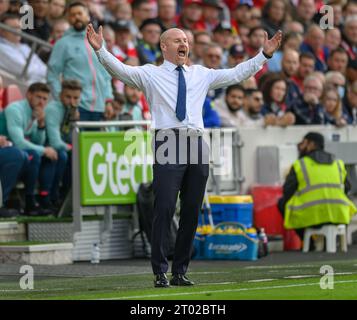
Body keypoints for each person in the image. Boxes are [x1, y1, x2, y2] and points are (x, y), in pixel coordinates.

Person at [87, 23, 282, 287]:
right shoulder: (150, 74)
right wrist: (101, 51)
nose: (184, 44)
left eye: (186, 40)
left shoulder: (200, 74)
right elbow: (121, 71)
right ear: (164, 46)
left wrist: (264, 56)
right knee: (165, 207)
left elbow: (236, 73)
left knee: (192, 210)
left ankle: (179, 270)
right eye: (177, 40)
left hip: (196, 142)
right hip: (167, 140)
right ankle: (159, 270)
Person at [278, 132, 357, 242]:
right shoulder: (338, 163)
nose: (300, 146)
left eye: (303, 143)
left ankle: (308, 242)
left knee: (282, 202)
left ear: (312, 144)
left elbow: (287, 191)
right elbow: (347, 188)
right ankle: (336, 241)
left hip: (311, 216)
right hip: (339, 215)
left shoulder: (300, 164)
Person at [47, 1, 113, 122]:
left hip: (100, 106)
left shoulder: (98, 41)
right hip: (76, 107)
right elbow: (52, 75)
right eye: (72, 15)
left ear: (87, 16)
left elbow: (106, 74)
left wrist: (108, 100)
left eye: (79, 13)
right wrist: (62, 101)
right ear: (68, 19)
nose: (76, 17)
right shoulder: (62, 44)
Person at [2, 83, 61, 216]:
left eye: (45, 99)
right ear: (28, 94)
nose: (41, 102)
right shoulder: (15, 109)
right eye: (38, 97)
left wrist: (41, 124)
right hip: (9, 151)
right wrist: (44, 150)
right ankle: (25, 201)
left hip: (15, 151)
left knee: (56, 155)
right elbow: (19, 142)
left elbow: (37, 141)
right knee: (34, 154)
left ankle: (46, 199)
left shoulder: (36, 112)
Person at [45, 80, 82, 205]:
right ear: (61, 95)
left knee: (74, 156)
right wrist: (74, 148)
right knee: (65, 155)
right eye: (68, 97)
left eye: (75, 98)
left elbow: (69, 138)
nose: (72, 101)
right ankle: (54, 197)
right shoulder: (53, 109)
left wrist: (73, 122)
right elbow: (55, 141)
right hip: (44, 146)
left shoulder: (72, 110)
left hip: (60, 148)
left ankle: (67, 199)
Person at [0, 14, 47, 85]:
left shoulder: (24, 47)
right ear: (2, 31)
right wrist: (41, 72)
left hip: (36, 85)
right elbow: (26, 71)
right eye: (14, 28)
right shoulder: (1, 48)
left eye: (19, 28)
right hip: (18, 87)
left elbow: (44, 68)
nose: (18, 31)